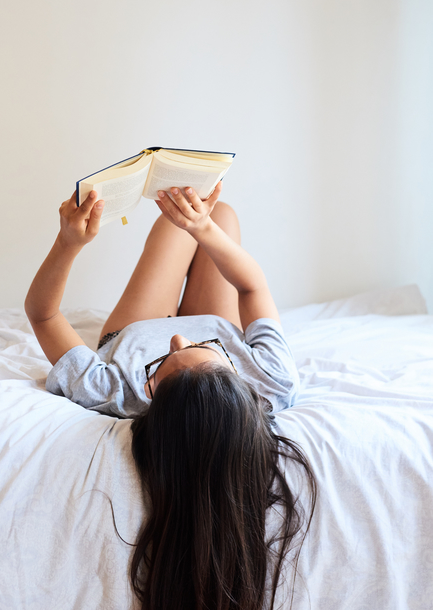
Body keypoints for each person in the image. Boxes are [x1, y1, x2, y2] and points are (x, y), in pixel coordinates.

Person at [25, 182, 317, 610]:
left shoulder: (115, 391)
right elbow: (252, 289)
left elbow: (43, 314)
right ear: (237, 375)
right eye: (202, 350)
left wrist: (68, 244)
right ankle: (206, 236)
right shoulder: (271, 380)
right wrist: (204, 230)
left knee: (180, 222)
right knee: (221, 217)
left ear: (149, 392)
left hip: (138, 328)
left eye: (163, 362)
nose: (179, 337)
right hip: (217, 318)